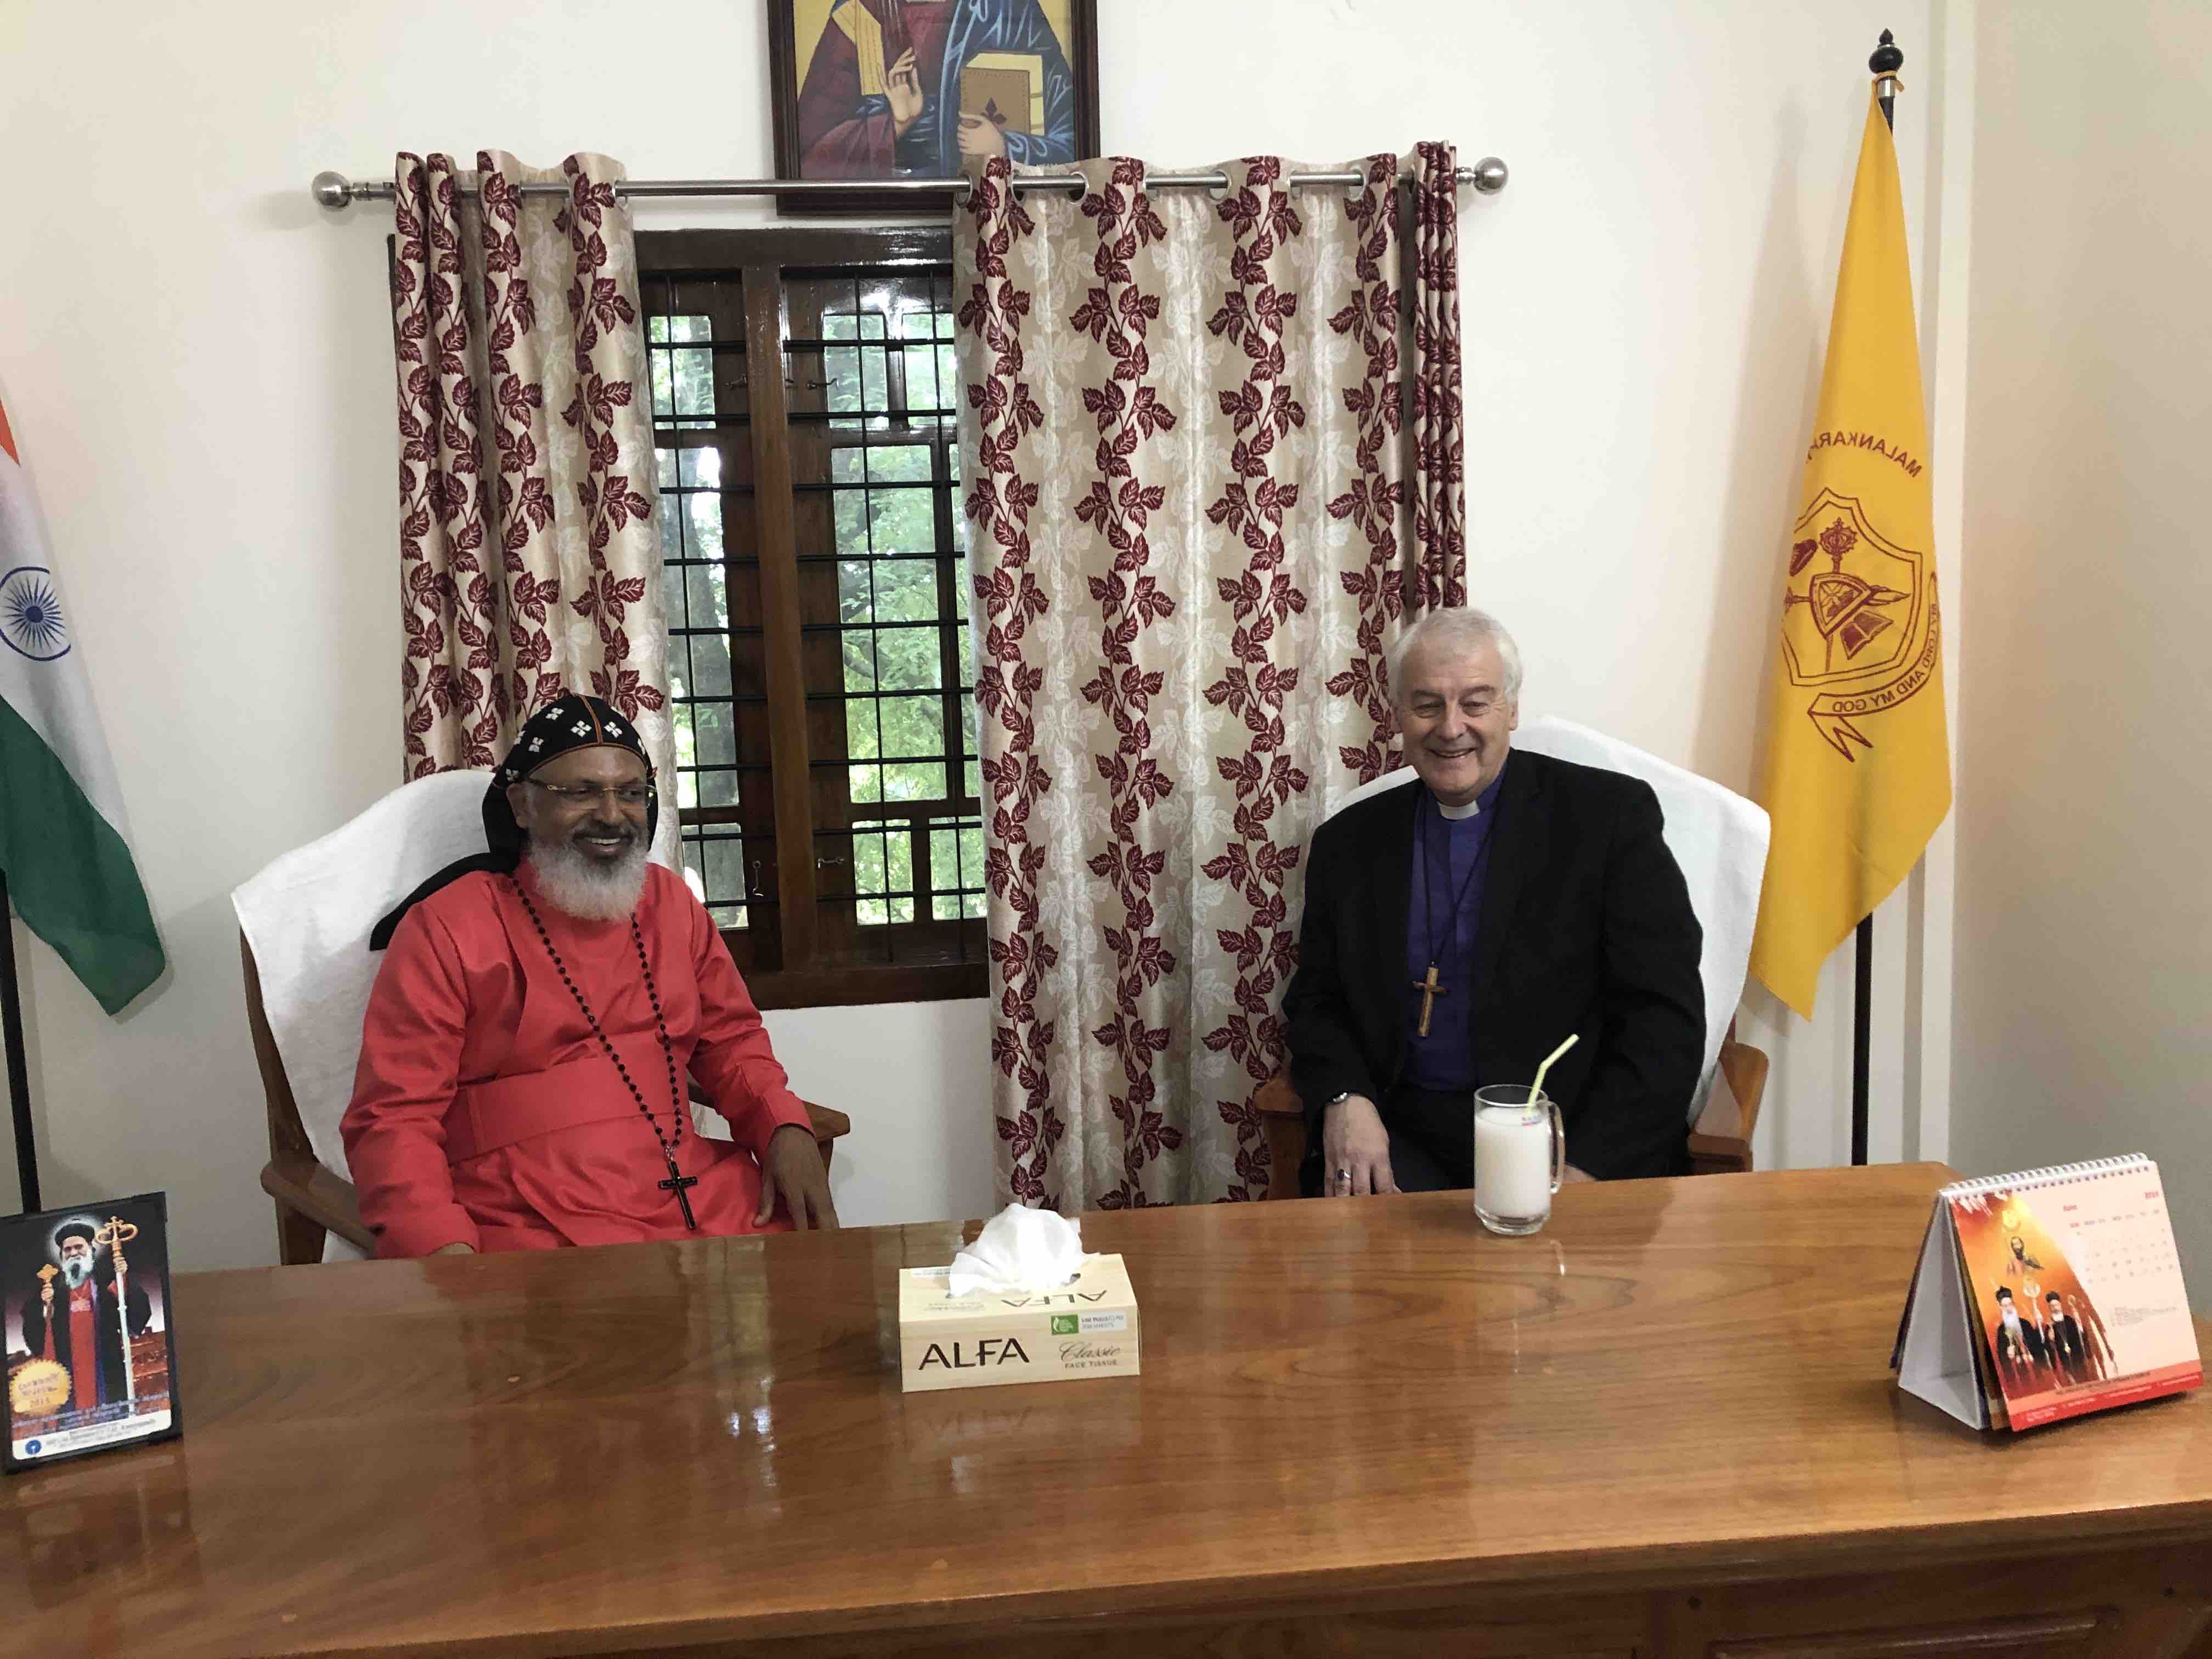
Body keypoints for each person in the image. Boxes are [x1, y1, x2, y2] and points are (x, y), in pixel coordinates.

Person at [343, 693, 838, 1258]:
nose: (611, 814)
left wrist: (783, 1126)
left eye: (630, 793)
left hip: (692, 1194)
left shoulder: (670, 904)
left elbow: (731, 1041)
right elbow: (393, 1118)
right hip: (522, 1217)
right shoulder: (446, 927)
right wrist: (441, 1250)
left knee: (822, 1300)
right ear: (523, 806)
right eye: (580, 792)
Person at [1282, 607, 1705, 1195]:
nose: (1451, 728)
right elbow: (1317, 1002)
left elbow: (1664, 1021)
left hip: (1563, 1137)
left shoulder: (1607, 819)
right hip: (1402, 1139)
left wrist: (1588, 1168)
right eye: (1427, 704)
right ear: (1398, 714)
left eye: (1476, 703)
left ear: (1511, 708)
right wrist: (1344, 1097)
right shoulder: (1348, 843)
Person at [794, 0, 1079, 179]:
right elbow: (808, 162)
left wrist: (1004, 148)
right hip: (889, 218)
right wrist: (895, 124)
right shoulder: (857, 14)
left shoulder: (1007, 11)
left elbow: (1072, 147)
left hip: (989, 223)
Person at [18, 1221, 151, 1413]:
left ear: (90, 1249)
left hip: (105, 1361)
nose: (74, 1253)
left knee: (112, 1410)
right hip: (67, 1366)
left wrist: (124, 1280)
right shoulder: (51, 1287)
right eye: (68, 1249)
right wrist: (45, 1307)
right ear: (61, 1255)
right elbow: (34, 1328)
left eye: (79, 1247)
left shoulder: (107, 1278)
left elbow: (135, 1311)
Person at [2045, 1292, 2089, 1386]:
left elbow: (2081, 1336)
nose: (2055, 1308)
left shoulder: (2069, 1319)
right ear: (2050, 1308)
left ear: (2060, 1305)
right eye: (2052, 1306)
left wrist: (2080, 1326)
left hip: (2077, 1358)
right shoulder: (2049, 1325)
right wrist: (2050, 1340)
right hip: (2063, 1361)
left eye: (2056, 1305)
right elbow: (2048, 1347)